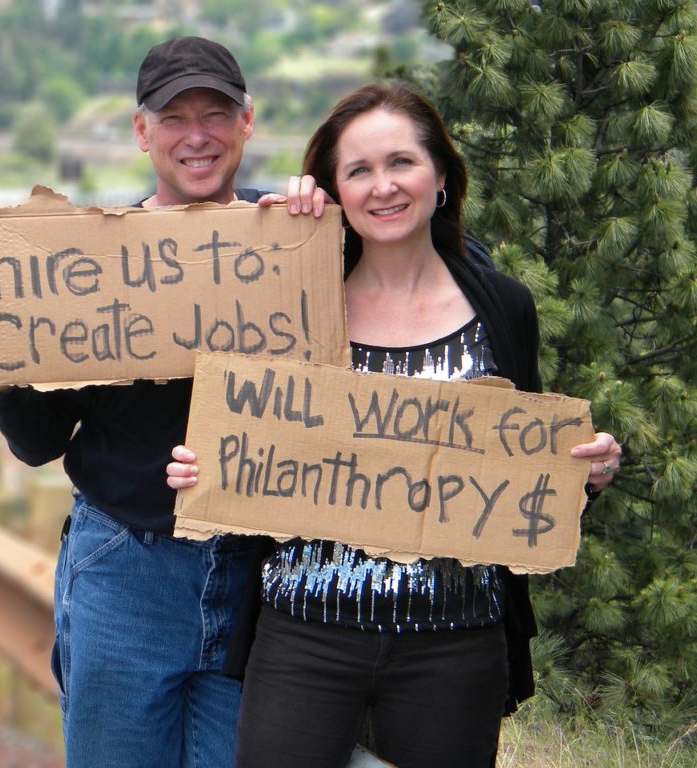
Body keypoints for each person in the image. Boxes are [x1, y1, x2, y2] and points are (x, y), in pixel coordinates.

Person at [166, 82, 623, 768]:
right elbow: (248, 438)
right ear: (334, 191)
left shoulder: (503, 306)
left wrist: (584, 473)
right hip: (303, 639)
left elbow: (523, 469)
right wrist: (206, 471)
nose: (383, 187)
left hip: (455, 643)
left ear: (440, 175)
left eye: (401, 163)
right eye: (358, 171)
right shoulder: (294, 300)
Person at [0, 36, 325, 768]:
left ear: (248, 123)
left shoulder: (290, 237)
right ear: (142, 132)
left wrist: (330, 213)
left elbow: (405, 286)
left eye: (216, 113)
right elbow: (36, 443)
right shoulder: (91, 265)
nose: (197, 135)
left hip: (258, 582)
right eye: (174, 118)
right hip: (127, 569)